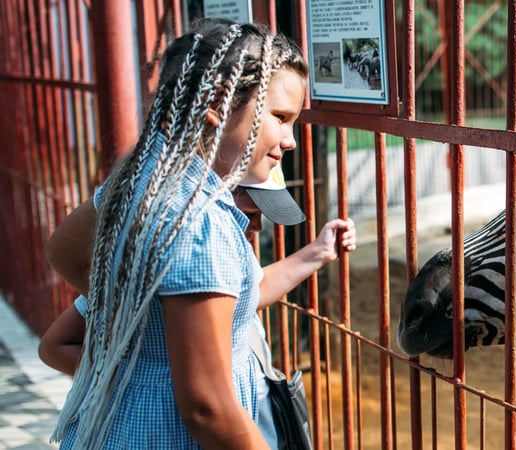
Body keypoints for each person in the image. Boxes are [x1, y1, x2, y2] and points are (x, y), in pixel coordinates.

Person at [40, 19, 355, 449]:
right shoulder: (202, 220)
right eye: (280, 117)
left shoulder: (145, 176)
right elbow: (207, 406)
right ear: (216, 104)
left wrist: (144, 328)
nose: (291, 139)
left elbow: (63, 251)